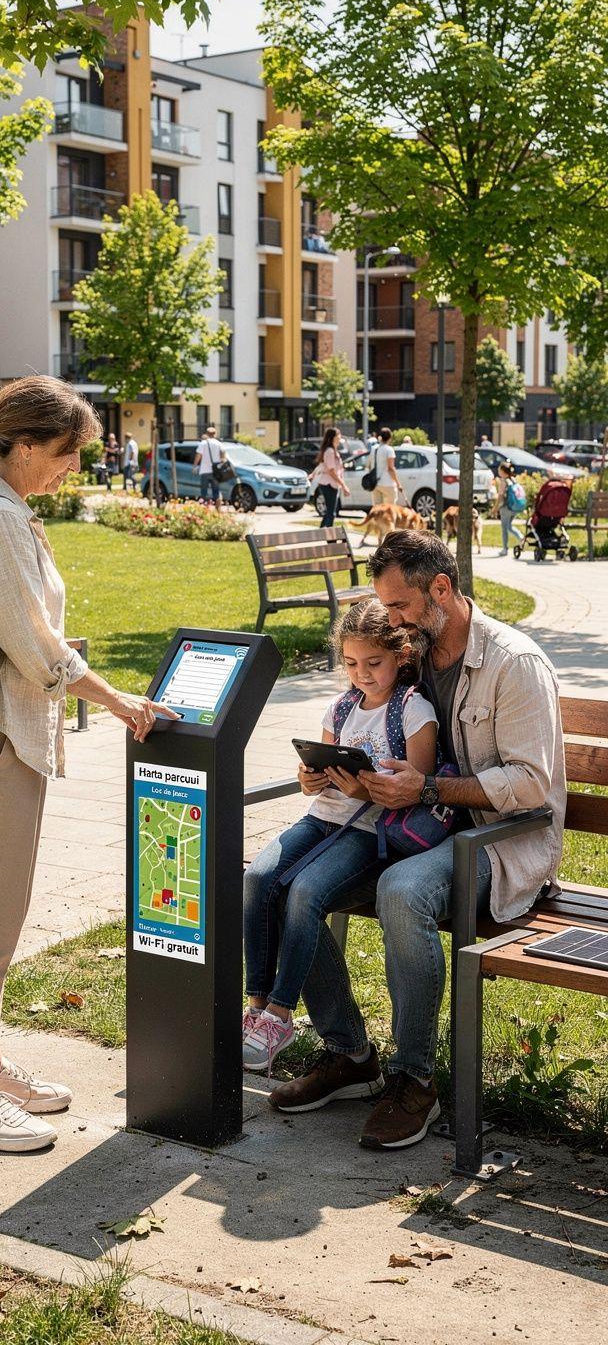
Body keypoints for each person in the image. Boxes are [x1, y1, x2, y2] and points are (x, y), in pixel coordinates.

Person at [0, 375, 178, 1154]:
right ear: (24, 445)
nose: (73, 468)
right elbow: (35, 646)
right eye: (65, 453)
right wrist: (118, 700)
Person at [267, 530, 566, 1149]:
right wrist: (336, 768)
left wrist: (426, 788)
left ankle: (415, 1079)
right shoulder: (413, 655)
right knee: (279, 883)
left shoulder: (514, 663)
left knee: (403, 892)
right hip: (405, 827)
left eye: (399, 605)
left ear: (441, 589)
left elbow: (531, 785)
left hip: (496, 839)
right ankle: (350, 1055)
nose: (391, 619)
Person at [242, 599, 437, 1075]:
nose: (362, 674)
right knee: (258, 878)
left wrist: (364, 789)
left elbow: (418, 790)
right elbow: (321, 769)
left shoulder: (414, 710)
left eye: (373, 662)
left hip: (371, 832)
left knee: (303, 891)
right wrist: (310, 778)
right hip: (323, 819)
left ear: (401, 656)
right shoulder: (341, 707)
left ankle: (281, 1015)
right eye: (351, 664)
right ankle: (257, 1005)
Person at [310, 426, 350, 527]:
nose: (340, 437)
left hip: (332, 484)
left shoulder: (332, 451)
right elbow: (331, 471)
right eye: (338, 435)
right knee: (331, 513)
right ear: (333, 437)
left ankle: (321, 533)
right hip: (329, 484)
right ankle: (329, 534)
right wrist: (343, 485)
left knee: (330, 512)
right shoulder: (330, 451)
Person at [194, 425, 227, 512]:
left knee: (203, 492)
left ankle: (203, 510)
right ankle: (218, 509)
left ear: (207, 434)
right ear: (215, 434)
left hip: (204, 471)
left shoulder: (203, 443)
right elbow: (223, 457)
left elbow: (198, 455)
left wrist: (195, 466)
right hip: (215, 471)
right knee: (216, 491)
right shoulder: (219, 444)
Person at [496, 462, 525, 556]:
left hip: (506, 508)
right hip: (514, 507)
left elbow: (500, 496)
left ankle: (505, 549)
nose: (498, 471)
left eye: (499, 470)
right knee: (509, 526)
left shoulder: (504, 481)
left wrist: (495, 508)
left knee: (504, 529)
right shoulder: (513, 480)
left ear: (503, 471)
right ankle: (520, 537)